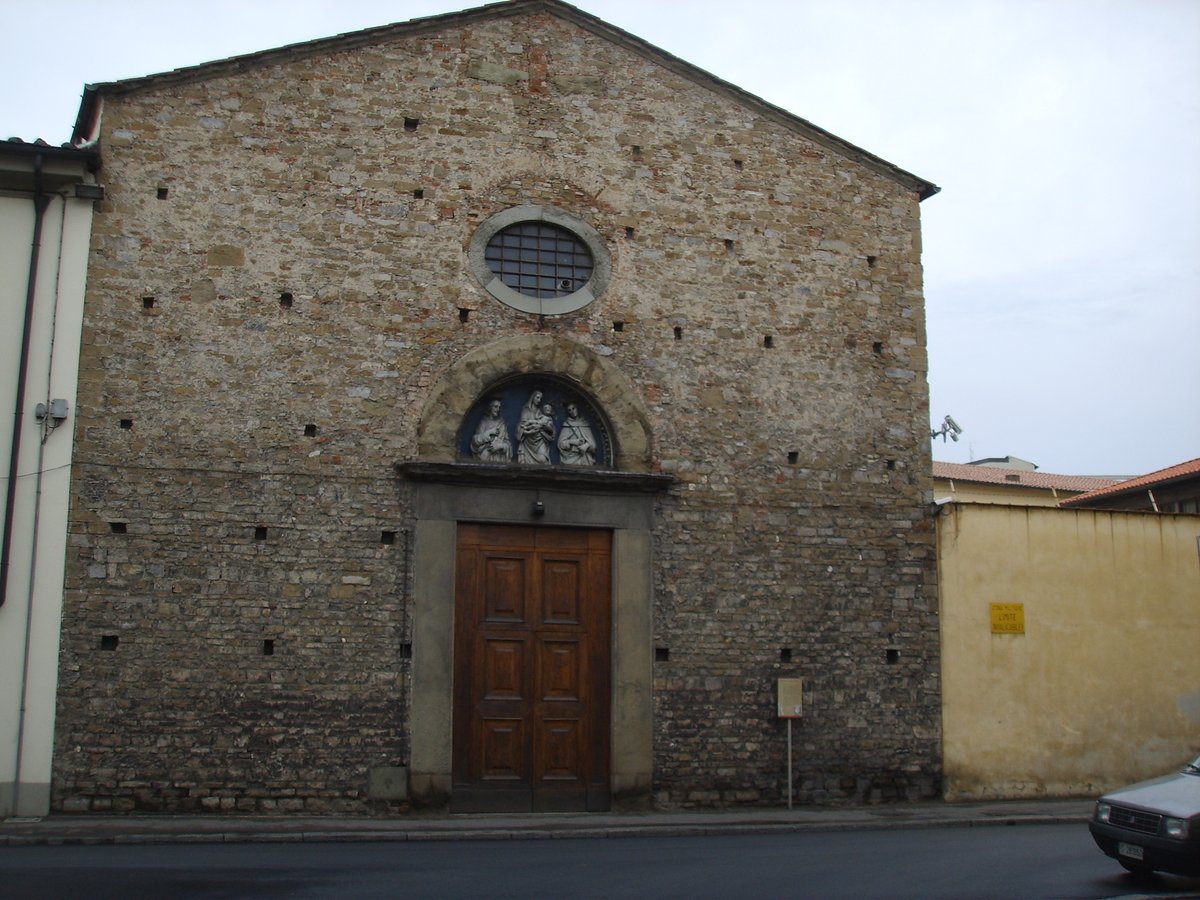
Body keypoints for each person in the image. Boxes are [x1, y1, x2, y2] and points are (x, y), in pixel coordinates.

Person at [469, 398, 512, 462]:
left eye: (499, 407)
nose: (498, 409)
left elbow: (508, 444)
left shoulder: (501, 424)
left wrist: (500, 446)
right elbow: (475, 441)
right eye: (496, 407)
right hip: (486, 456)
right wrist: (488, 433)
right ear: (490, 408)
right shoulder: (484, 422)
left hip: (499, 458)